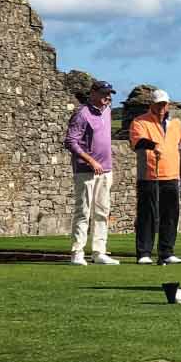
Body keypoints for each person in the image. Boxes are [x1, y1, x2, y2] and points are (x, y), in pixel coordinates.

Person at [128, 88, 181, 265]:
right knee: (147, 215)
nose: (162, 107)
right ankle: (144, 253)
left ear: (168, 104)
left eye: (164, 104)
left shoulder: (176, 124)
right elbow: (137, 141)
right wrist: (153, 144)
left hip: (171, 175)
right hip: (149, 175)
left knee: (170, 215)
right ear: (152, 105)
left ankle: (166, 252)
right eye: (158, 104)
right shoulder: (140, 122)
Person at [66, 79, 119, 265]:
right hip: (85, 171)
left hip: (106, 170)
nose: (108, 97)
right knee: (83, 211)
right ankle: (77, 252)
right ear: (93, 93)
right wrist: (90, 160)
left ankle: (99, 252)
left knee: (102, 212)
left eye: (109, 94)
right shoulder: (82, 114)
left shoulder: (108, 111)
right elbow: (71, 141)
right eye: (104, 93)